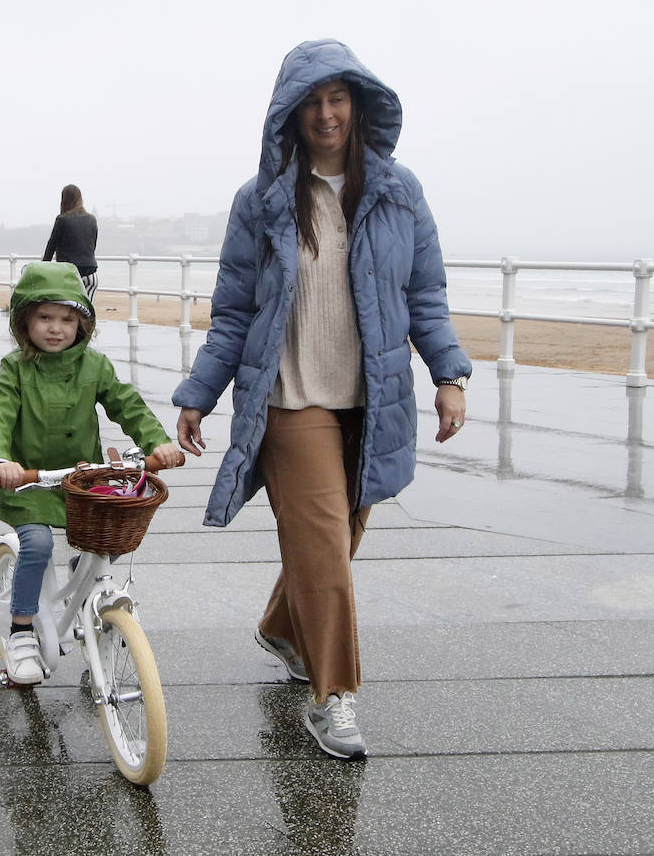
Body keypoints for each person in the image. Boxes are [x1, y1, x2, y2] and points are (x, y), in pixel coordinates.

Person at [171, 39, 472, 759]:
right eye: (312, 102)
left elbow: (424, 293)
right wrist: (198, 395)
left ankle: (282, 626)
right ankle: (334, 697)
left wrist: (449, 374)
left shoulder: (399, 193)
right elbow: (236, 311)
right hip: (291, 397)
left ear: (359, 107)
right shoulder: (264, 200)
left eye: (338, 99)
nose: (326, 114)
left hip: (372, 400)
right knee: (325, 548)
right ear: (291, 113)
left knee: (334, 543)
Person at [0, 261, 183, 684]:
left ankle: (86, 588)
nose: (56, 328)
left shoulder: (94, 366)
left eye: (68, 319)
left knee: (106, 540)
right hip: (29, 482)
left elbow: (128, 405)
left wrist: (157, 442)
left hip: (80, 480)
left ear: (82, 324)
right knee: (35, 544)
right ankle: (20, 632)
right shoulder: (14, 368)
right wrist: (0, 461)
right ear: (24, 321)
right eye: (45, 317)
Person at [42, 184, 99, 301]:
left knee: (69, 313)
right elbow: (92, 246)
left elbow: (51, 246)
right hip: (90, 273)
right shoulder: (92, 219)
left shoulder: (62, 219)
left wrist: (43, 267)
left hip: (68, 273)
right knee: (87, 313)